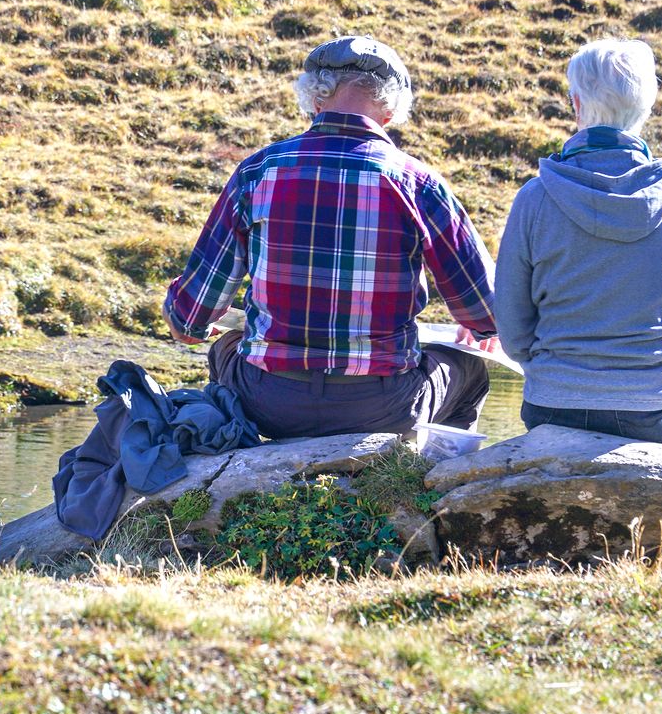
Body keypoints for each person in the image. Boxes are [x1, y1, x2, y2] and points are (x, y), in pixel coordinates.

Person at [163, 35, 499, 440]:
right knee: (470, 370)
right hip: (382, 407)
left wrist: (183, 312)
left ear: (314, 100)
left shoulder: (257, 171)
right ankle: (433, 486)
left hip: (268, 403)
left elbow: (190, 320)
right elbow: (487, 313)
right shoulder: (418, 183)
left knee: (226, 347)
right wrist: (478, 329)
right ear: (390, 111)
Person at [493, 38, 662, 451]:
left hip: (551, 403)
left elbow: (511, 325)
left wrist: (551, 367)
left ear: (576, 104)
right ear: (647, 108)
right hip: (654, 406)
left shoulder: (535, 198)